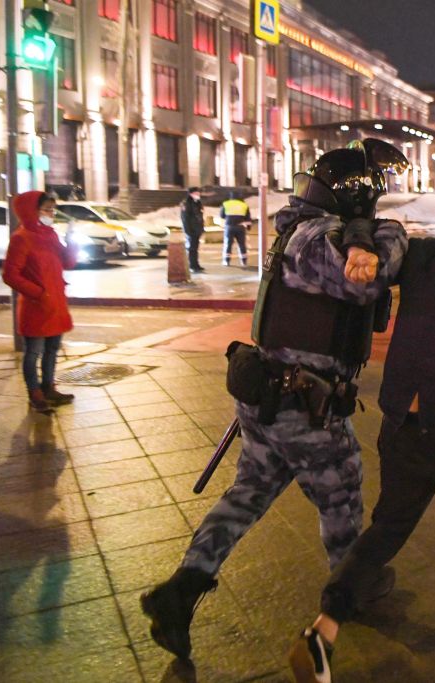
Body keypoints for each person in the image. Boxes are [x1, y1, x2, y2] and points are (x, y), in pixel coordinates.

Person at [139, 140, 410, 663]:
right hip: (301, 404)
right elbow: (369, 281)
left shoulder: (300, 229)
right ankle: (350, 589)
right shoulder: (316, 238)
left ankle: (181, 591)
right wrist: (390, 232)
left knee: (248, 495)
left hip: (275, 399)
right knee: (341, 494)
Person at [287, 208, 435, 683]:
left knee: (389, 524)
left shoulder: (420, 251)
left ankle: (325, 627)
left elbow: (377, 239)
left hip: (403, 415)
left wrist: (359, 242)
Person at [1, 191, 78, 414]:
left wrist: (71, 240)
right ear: (31, 211)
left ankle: (49, 387)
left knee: (53, 349)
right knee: (33, 352)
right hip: (36, 306)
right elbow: (10, 275)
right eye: (46, 210)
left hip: (56, 304)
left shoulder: (51, 235)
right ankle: (35, 394)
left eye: (52, 210)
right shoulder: (21, 238)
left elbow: (69, 262)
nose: (51, 214)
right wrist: (38, 293)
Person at [220, 192, 252, 266]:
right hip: (240, 227)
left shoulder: (226, 204)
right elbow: (248, 218)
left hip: (229, 226)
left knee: (228, 244)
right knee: (242, 244)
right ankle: (243, 261)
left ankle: (226, 261)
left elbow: (222, 215)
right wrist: (249, 227)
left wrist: (229, 218)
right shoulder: (244, 205)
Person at [180, 186, 205, 273]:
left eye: (199, 193)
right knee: (191, 248)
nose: (198, 195)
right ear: (191, 194)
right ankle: (191, 265)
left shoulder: (197, 202)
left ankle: (196, 265)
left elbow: (200, 216)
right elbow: (185, 218)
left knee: (195, 248)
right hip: (191, 230)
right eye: (196, 193)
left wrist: (201, 228)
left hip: (197, 229)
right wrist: (187, 230)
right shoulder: (186, 203)